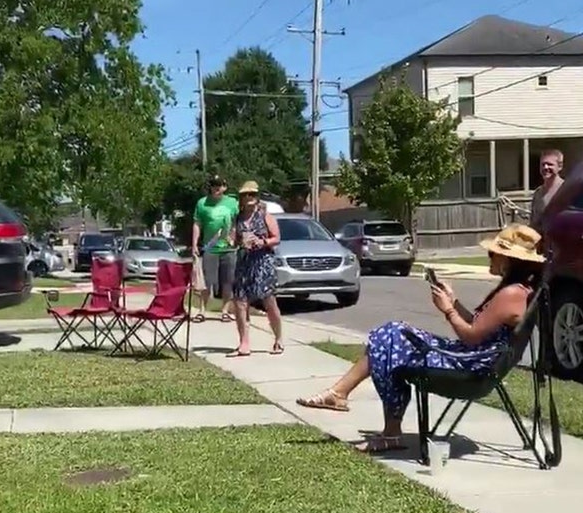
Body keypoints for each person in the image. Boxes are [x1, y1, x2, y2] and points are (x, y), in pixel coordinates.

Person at [295, 224, 542, 453]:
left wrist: (448, 310)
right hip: (472, 360)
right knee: (391, 334)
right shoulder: (517, 290)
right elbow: (478, 324)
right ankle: (345, 398)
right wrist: (453, 301)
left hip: (469, 366)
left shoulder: (511, 293)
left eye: (493, 254)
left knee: (390, 337)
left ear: (509, 260)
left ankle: (361, 410)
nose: (490, 257)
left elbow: (471, 337)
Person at [227, 181, 284, 357]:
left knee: (268, 301)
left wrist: (263, 242)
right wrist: (235, 241)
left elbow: (277, 238)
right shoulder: (238, 218)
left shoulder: (265, 215)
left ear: (257, 197)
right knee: (241, 302)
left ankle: (278, 338)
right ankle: (244, 343)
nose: (249, 198)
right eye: (245, 195)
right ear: (241, 199)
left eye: (252, 194)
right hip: (244, 262)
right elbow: (232, 239)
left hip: (263, 262)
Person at [191, 175, 239, 323]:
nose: (217, 188)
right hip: (210, 248)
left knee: (228, 281)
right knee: (206, 281)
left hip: (229, 248)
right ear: (210, 187)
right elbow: (197, 224)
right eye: (214, 185)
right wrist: (194, 244)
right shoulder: (202, 203)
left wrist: (235, 236)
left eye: (220, 185)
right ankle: (202, 310)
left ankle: (225, 310)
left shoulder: (232, 202)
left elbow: (238, 222)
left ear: (225, 187)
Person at [529, 148, 564, 234]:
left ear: (560, 166)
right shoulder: (538, 194)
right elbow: (534, 224)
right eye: (543, 164)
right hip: (544, 245)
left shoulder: (569, 190)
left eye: (550, 164)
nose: (546, 167)